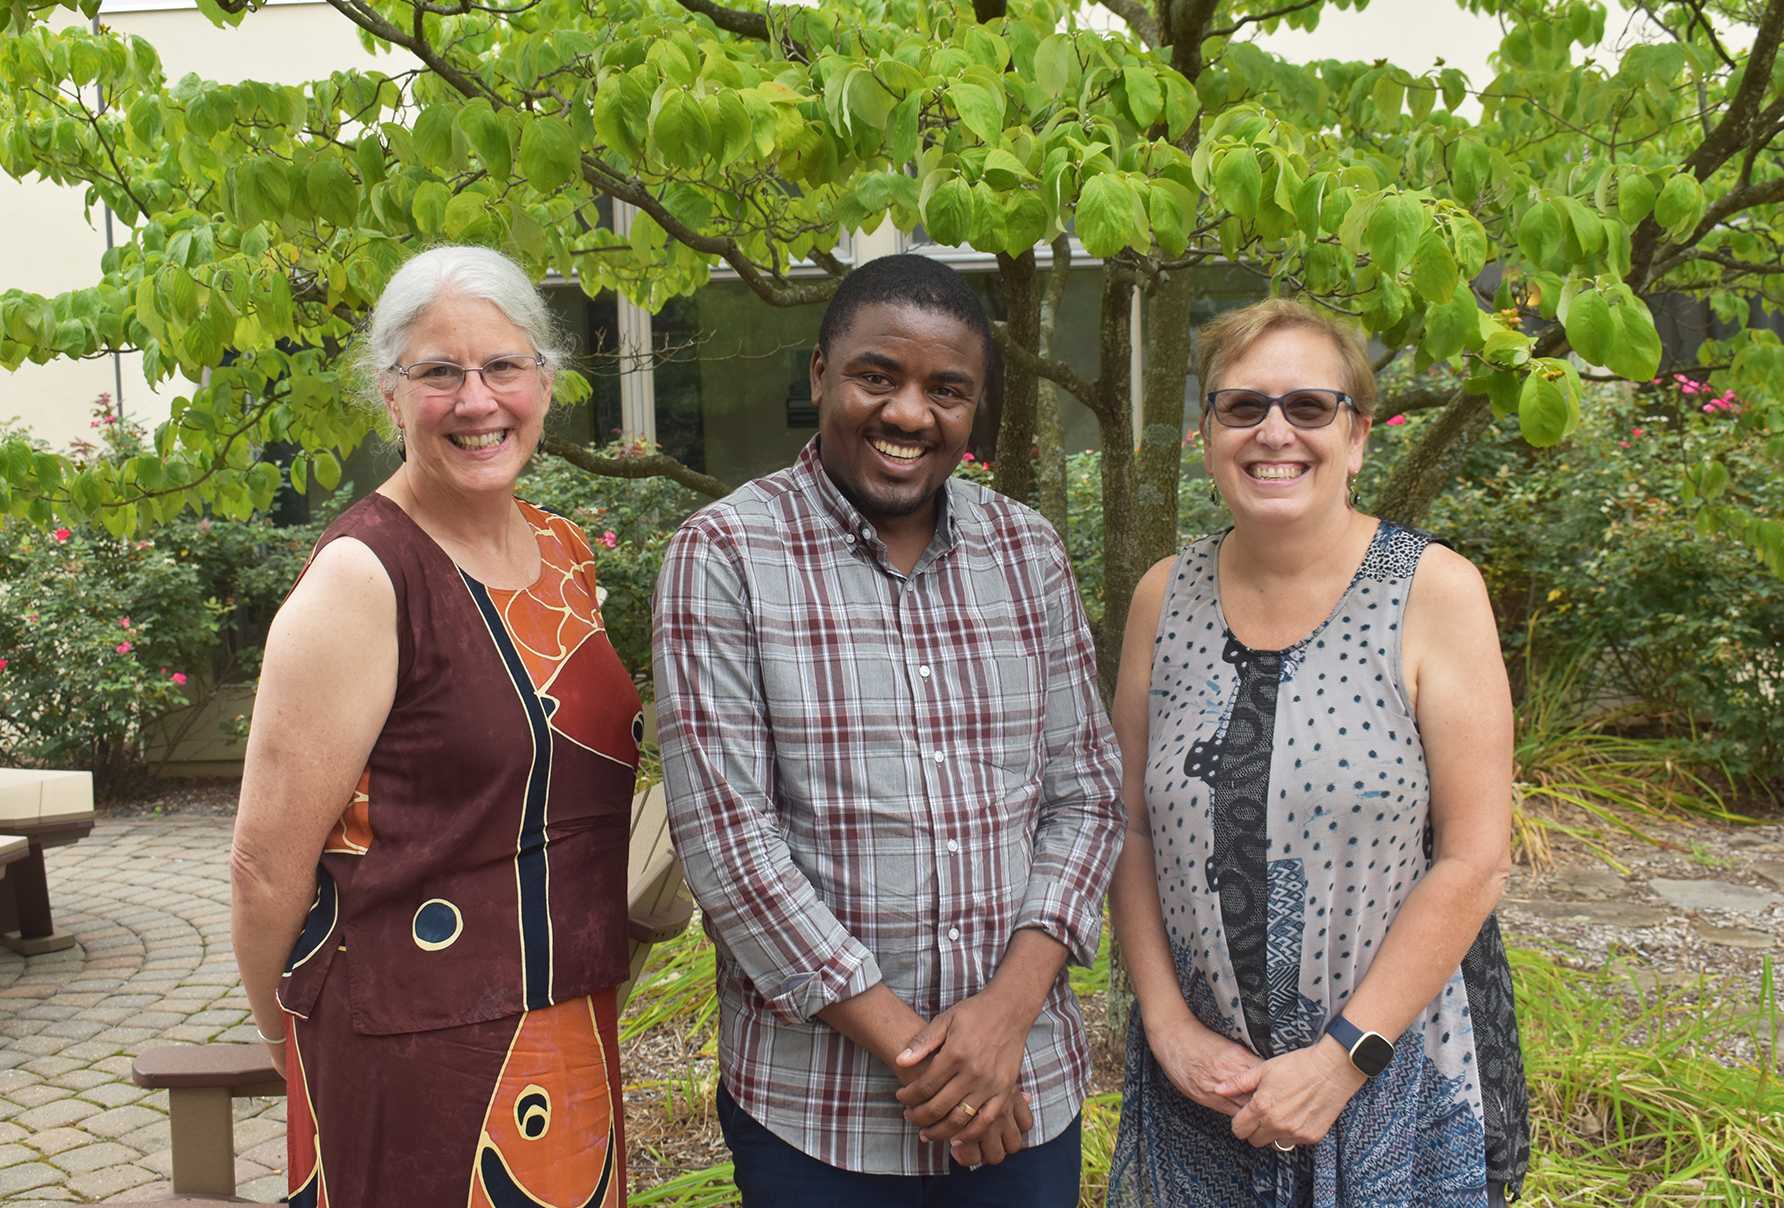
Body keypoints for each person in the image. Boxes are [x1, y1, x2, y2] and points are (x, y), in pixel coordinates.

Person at [653, 253, 1124, 1206]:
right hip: (818, 1113)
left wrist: (1002, 1022)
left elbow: (1088, 796)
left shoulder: (1026, 553)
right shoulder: (725, 556)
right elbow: (729, 846)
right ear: (821, 374)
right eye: (880, 376)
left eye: (947, 390)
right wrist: (938, 1065)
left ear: (976, 406)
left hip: (1024, 1091)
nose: (911, 414)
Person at [230, 246, 639, 1208]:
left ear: (546, 378)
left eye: (502, 366)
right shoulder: (364, 577)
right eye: (438, 373)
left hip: (570, 1023)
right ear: (389, 395)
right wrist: (290, 1039)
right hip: (411, 1055)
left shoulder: (562, 551)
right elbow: (263, 866)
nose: (476, 400)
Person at [1105, 297, 1525, 1207]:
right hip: (1203, 1092)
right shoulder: (1160, 599)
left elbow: (1474, 858)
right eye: (1242, 406)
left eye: (1308, 407)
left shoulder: (1434, 593)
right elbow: (1130, 829)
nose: (1273, 432)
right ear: (1207, 431)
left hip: (1389, 1080)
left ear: (1358, 435)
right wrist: (1168, 1027)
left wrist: (1341, 1061)